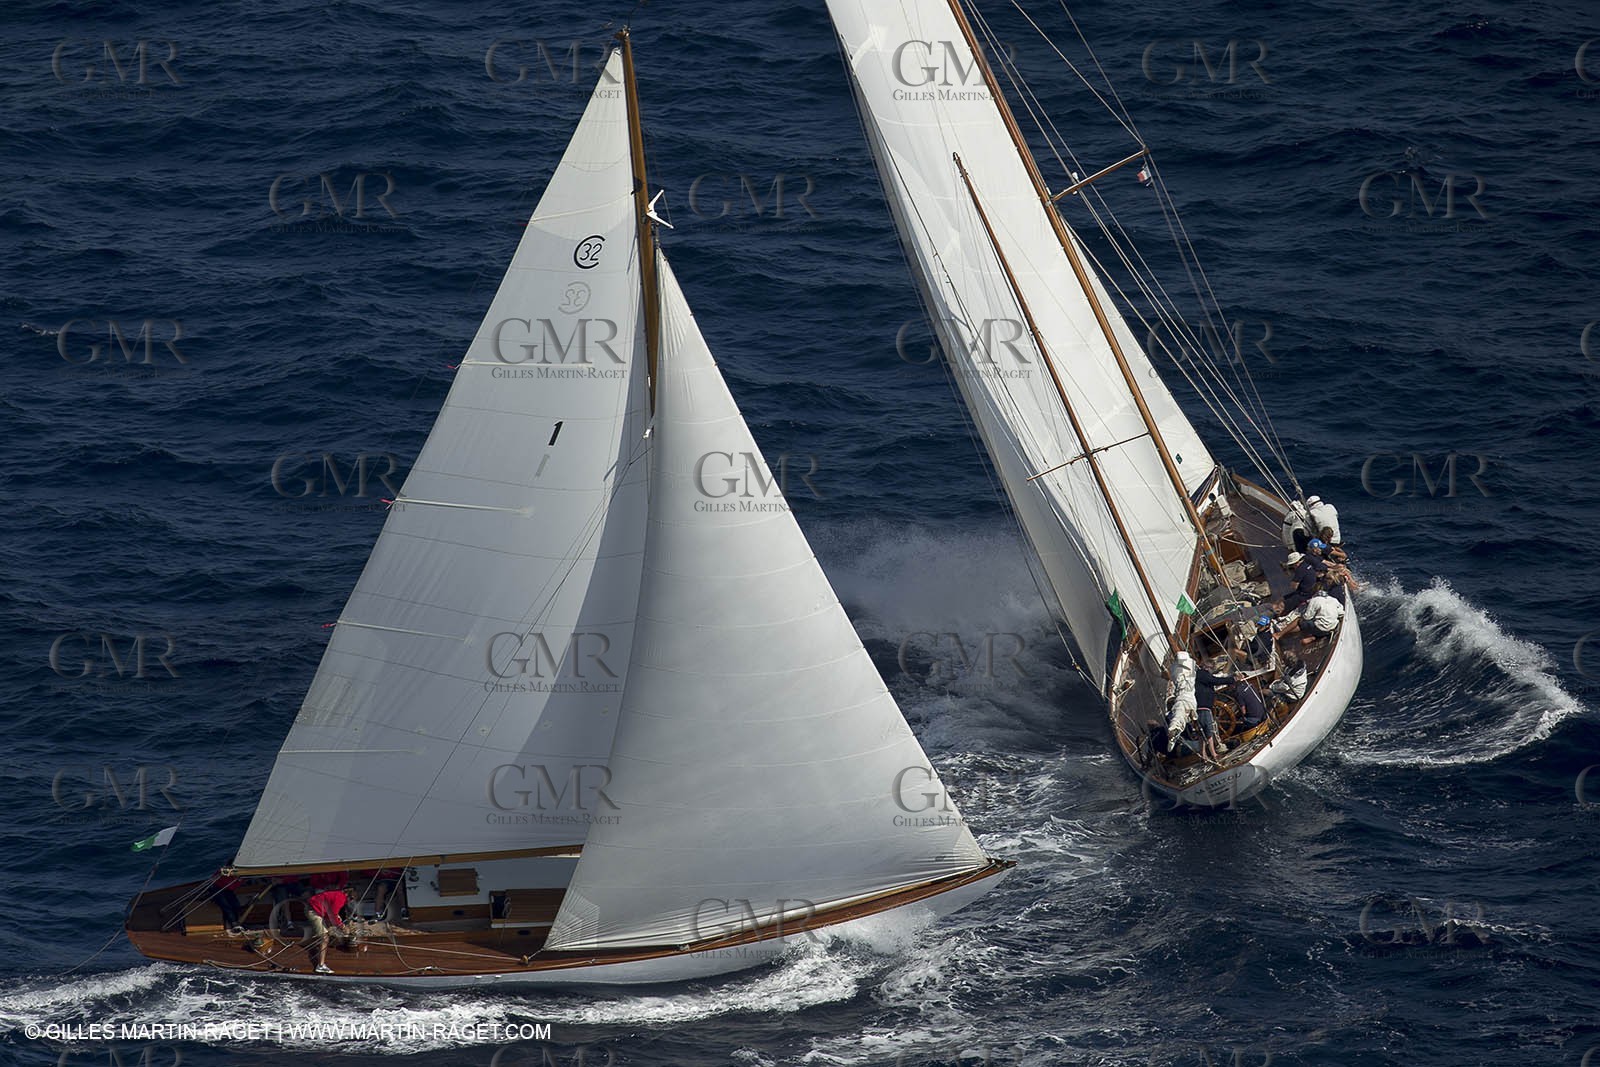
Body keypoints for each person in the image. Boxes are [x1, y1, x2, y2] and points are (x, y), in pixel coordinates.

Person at [304, 885, 348, 974]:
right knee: (324, 938)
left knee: (327, 932)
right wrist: (342, 926)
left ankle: (318, 945)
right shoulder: (341, 898)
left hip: (318, 910)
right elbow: (333, 914)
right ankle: (320, 966)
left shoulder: (338, 894)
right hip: (314, 911)